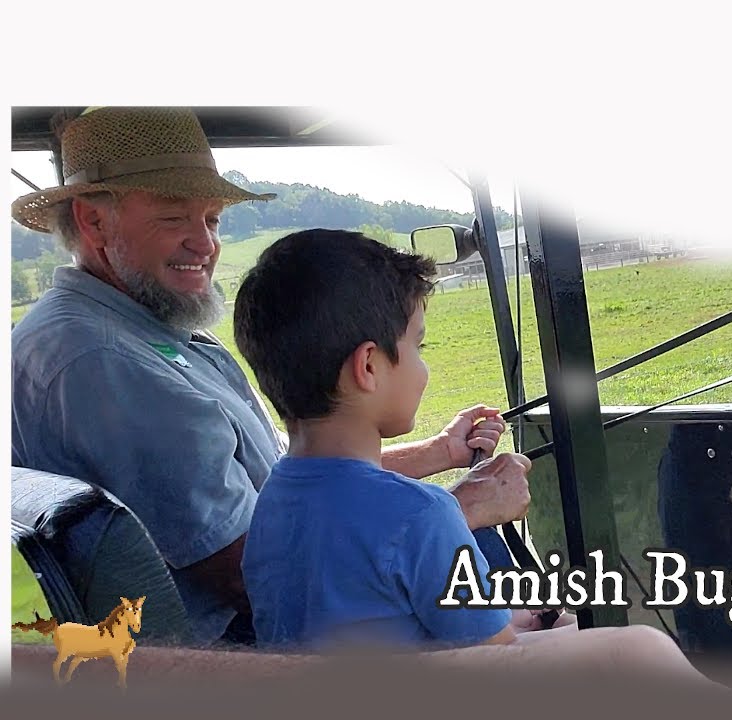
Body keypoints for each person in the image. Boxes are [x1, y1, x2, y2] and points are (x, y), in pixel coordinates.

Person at [9, 107, 530, 649]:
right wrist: (449, 515)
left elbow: (293, 477)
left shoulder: (137, 328)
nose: (205, 244)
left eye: (211, 220)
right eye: (174, 217)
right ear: (94, 222)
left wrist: (437, 455)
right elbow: (257, 573)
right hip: (244, 657)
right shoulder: (104, 361)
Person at [232, 227, 570, 651]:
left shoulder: (272, 502)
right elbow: (503, 665)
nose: (424, 368)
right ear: (369, 366)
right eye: (419, 345)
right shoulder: (424, 515)